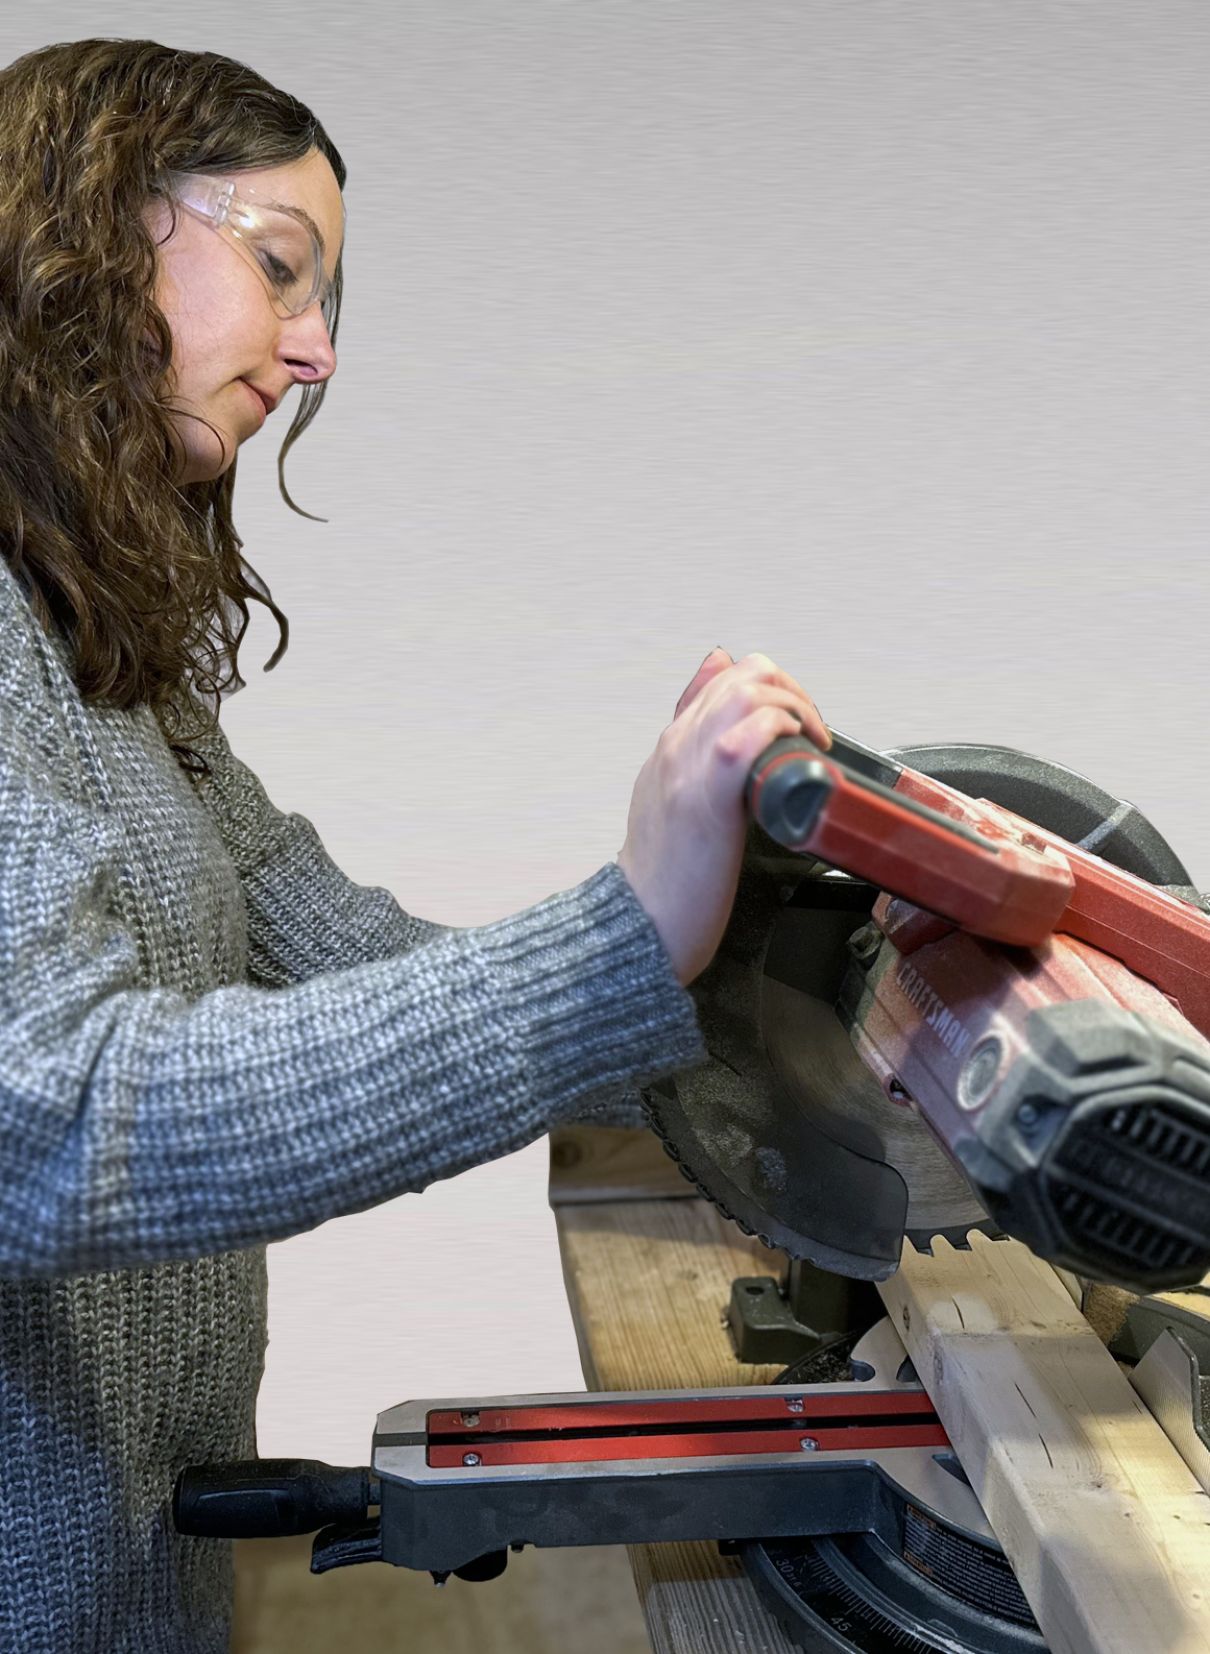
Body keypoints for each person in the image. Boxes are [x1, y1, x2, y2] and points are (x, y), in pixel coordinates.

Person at [0, 36, 831, 1653]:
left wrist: (787, 1017)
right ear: (89, 221)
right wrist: (624, 935)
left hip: (136, 1577)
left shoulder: (98, 651)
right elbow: (55, 1119)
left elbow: (337, 942)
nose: (315, 350)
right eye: (279, 266)